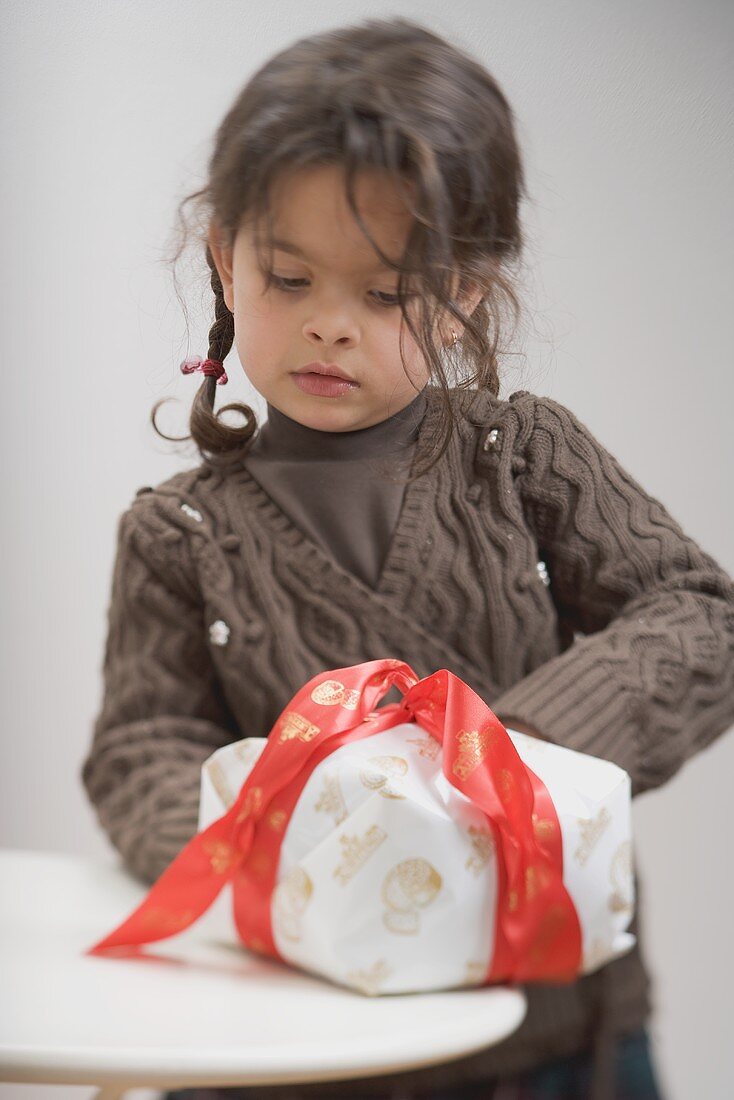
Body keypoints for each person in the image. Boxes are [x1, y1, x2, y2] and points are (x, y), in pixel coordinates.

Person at [80, 16, 733, 1100]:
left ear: (467, 288)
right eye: (288, 279)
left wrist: (503, 755)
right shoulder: (175, 533)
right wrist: (284, 848)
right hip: (285, 1055)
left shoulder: (522, 457)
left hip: (550, 1050)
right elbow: (139, 746)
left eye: (384, 295)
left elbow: (698, 613)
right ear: (223, 258)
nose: (329, 325)